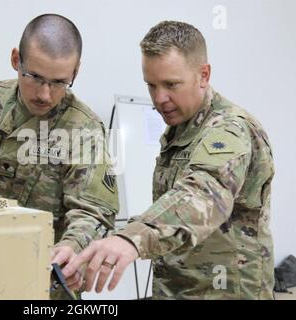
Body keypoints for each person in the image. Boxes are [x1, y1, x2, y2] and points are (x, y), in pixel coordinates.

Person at [62, 20, 275, 300]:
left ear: (203, 74)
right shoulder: (181, 128)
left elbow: (202, 193)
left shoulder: (229, 129)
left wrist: (131, 238)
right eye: (151, 85)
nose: (159, 98)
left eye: (171, 84)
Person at [0, 14, 119, 299]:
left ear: (75, 72)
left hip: (41, 287)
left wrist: (71, 248)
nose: (44, 94)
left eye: (59, 82)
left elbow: (93, 212)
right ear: (17, 59)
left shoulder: (83, 129)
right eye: (35, 77)